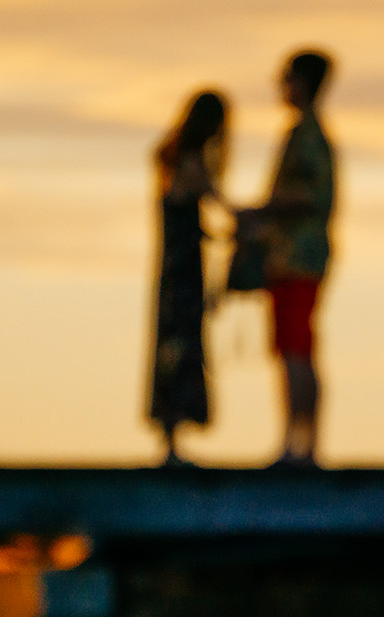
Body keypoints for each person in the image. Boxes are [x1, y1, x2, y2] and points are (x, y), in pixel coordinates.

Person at [260, 50, 336, 468]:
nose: (281, 85)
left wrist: (263, 210)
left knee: (296, 351)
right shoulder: (308, 134)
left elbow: (308, 197)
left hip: (297, 259)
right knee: (295, 349)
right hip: (295, 258)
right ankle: (299, 444)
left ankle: (299, 446)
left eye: (286, 77)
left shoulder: (306, 137)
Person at [149, 90, 229, 466]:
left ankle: (170, 438)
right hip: (184, 273)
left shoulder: (169, 160)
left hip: (170, 269)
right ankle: (173, 437)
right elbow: (221, 204)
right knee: (181, 347)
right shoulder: (192, 161)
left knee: (170, 346)